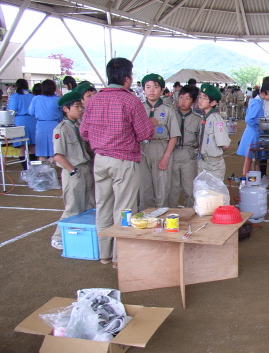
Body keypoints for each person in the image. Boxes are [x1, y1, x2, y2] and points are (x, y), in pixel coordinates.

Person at [79, 57, 153, 266]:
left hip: (100, 160)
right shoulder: (130, 101)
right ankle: (119, 258)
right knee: (124, 209)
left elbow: (83, 132)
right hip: (123, 160)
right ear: (127, 78)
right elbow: (145, 133)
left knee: (103, 207)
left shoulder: (94, 100)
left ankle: (105, 254)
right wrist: (151, 123)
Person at [49, 91, 95, 250]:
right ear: (66, 109)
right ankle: (58, 237)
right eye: (77, 107)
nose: (81, 109)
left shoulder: (79, 126)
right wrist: (73, 171)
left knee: (88, 206)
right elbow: (58, 156)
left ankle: (82, 237)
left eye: (81, 106)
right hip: (74, 172)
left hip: (86, 169)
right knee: (73, 208)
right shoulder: (61, 129)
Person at [138, 73, 179, 211]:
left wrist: (166, 157)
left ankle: (161, 217)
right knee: (144, 188)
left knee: (162, 187)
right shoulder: (138, 109)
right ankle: (145, 218)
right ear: (143, 90)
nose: (151, 90)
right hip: (142, 149)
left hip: (161, 148)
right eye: (148, 87)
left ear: (162, 91)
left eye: (155, 87)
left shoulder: (168, 110)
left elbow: (174, 136)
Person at [168, 84, 201, 208]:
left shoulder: (197, 119)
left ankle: (190, 214)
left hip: (189, 155)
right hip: (172, 154)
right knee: (172, 189)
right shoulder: (171, 115)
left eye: (187, 98)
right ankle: (171, 214)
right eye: (181, 97)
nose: (183, 101)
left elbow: (200, 139)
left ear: (193, 101)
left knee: (189, 189)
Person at [237, 82, 269, 177]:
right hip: (253, 133)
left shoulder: (258, 102)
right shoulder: (257, 103)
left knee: (256, 158)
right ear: (267, 92)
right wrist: (258, 127)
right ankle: (245, 179)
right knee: (249, 158)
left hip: (255, 133)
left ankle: (257, 178)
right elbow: (249, 119)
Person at [196, 84, 231, 181]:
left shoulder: (216, 119)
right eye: (200, 97)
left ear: (213, 103)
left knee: (213, 190)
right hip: (203, 162)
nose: (200, 100)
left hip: (213, 165)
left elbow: (224, 145)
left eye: (204, 98)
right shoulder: (205, 118)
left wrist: (214, 152)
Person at [28, 79, 62, 161]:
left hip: (41, 125)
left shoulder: (36, 99)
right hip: (54, 124)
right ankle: (52, 168)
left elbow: (31, 112)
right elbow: (62, 112)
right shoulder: (57, 99)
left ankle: (42, 168)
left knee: (41, 152)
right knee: (54, 151)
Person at [6, 78, 36, 168]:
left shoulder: (14, 96)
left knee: (22, 147)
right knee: (32, 146)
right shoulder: (32, 96)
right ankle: (33, 169)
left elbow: (12, 110)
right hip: (32, 121)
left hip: (20, 121)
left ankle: (26, 169)